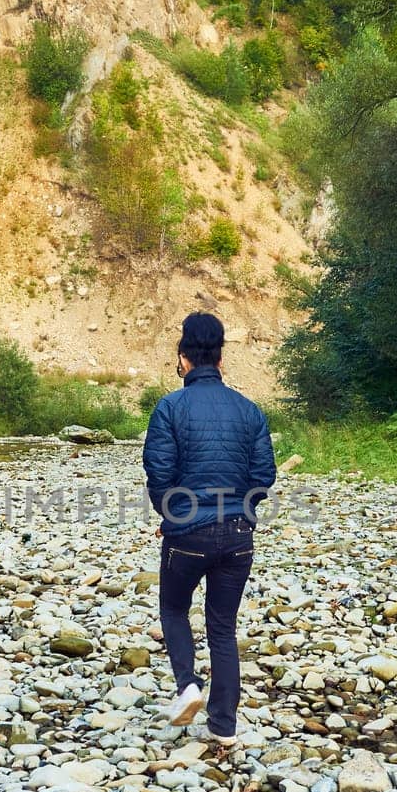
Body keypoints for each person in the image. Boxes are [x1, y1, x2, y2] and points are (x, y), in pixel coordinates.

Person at [142, 311, 277, 745]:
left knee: (174, 610)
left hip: (188, 536)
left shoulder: (169, 407)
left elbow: (159, 474)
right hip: (238, 536)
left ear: (183, 358)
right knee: (223, 627)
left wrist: (172, 516)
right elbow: (264, 476)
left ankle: (188, 687)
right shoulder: (249, 410)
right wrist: (245, 512)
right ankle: (224, 727)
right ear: (221, 358)